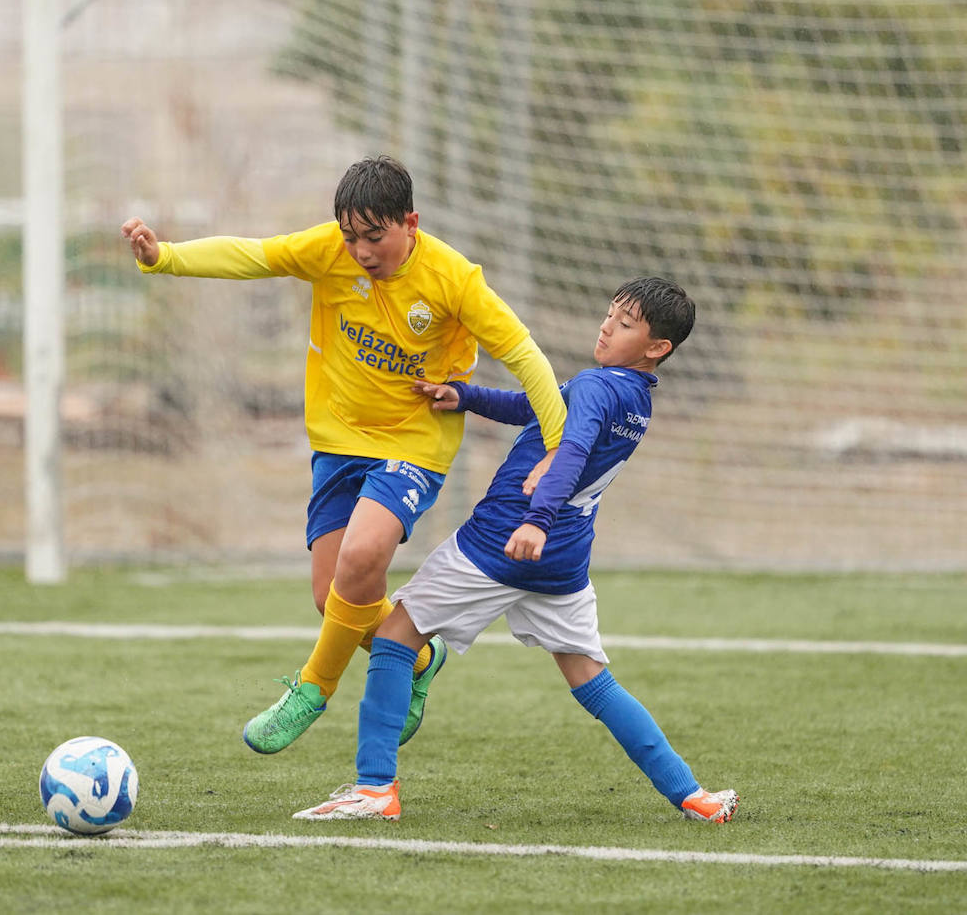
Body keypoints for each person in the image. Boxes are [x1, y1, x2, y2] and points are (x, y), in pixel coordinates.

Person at [122, 156, 567, 754]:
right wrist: (164, 257)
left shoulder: (454, 279)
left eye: (374, 237)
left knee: (362, 555)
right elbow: (255, 256)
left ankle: (311, 689)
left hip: (414, 442)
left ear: (410, 222)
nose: (359, 251)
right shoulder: (329, 250)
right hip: (337, 441)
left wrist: (561, 448)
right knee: (331, 595)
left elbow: (524, 355)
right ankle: (416, 659)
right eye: (351, 237)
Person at [293, 277, 740, 824]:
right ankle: (693, 796)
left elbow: (569, 451)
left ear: (657, 348)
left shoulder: (600, 388)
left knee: (395, 635)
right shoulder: (633, 398)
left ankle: (374, 788)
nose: (606, 326)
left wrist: (535, 521)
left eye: (624, 324)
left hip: (502, 542)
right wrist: (468, 396)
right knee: (593, 679)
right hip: (565, 562)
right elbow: (540, 408)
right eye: (609, 314)